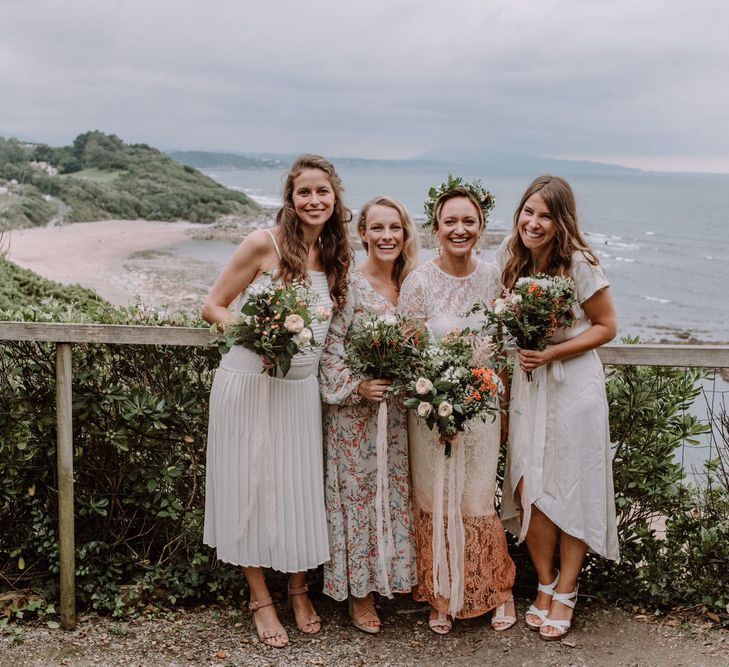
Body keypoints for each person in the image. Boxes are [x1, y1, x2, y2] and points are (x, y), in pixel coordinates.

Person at [201, 154, 352, 648]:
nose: (314, 200)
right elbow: (213, 306)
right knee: (252, 483)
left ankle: (299, 588)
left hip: (299, 392)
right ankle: (261, 598)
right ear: (290, 199)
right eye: (304, 192)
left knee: (298, 487)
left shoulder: (334, 254)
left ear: (335, 198)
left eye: (322, 192)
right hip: (249, 383)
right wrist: (259, 336)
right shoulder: (262, 244)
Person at [499, 175, 619, 641]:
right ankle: (544, 582)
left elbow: (606, 326)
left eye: (545, 215)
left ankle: (566, 590)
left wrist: (551, 352)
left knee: (573, 485)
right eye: (528, 212)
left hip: (573, 386)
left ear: (561, 220)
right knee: (531, 484)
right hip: (528, 386)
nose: (534, 222)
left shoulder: (580, 264)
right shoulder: (511, 259)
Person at [398, 185, 515, 635]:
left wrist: (501, 409)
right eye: (451, 221)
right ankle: (441, 593)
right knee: (435, 500)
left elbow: (502, 352)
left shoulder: (494, 278)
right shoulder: (419, 282)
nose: (459, 229)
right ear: (436, 227)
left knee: (476, 500)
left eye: (468, 221)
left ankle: (496, 592)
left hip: (483, 411)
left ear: (481, 227)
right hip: (430, 413)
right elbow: (409, 355)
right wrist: (432, 404)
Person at [319, 196, 419, 634]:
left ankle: (392, 581)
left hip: (398, 417)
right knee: (358, 501)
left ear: (405, 232)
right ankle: (359, 595)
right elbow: (329, 351)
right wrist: (357, 386)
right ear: (362, 234)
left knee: (395, 497)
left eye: (394, 228)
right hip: (354, 416)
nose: (387, 237)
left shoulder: (413, 284)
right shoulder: (348, 286)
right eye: (377, 228)